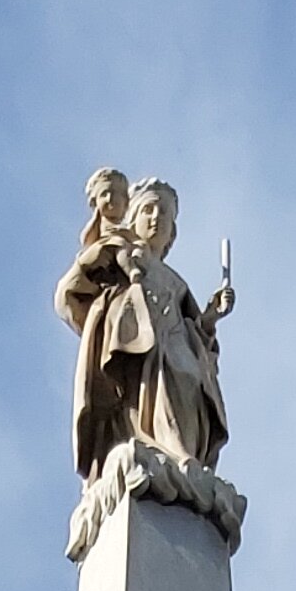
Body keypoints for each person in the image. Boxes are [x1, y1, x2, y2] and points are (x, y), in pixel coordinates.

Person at [54, 175, 232, 480]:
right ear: (133, 218)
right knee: (144, 396)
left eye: (164, 213)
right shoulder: (114, 257)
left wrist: (211, 317)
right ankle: (160, 457)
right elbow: (67, 297)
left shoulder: (175, 281)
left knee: (188, 383)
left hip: (177, 351)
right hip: (136, 352)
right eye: (149, 210)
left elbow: (196, 332)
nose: (156, 218)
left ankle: (182, 462)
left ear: (172, 232)